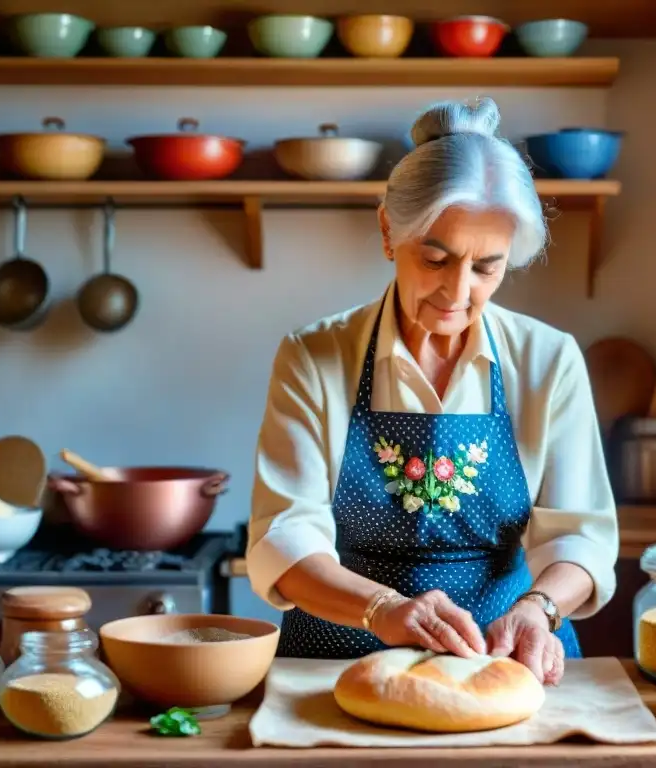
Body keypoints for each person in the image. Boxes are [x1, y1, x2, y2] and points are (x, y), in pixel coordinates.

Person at [246, 97, 618, 686]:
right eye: (436, 257)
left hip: (503, 660)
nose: (457, 291)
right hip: (340, 655)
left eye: (487, 267)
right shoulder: (315, 358)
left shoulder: (548, 360)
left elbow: (580, 533)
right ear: (389, 229)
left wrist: (538, 608)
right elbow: (282, 537)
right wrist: (382, 610)